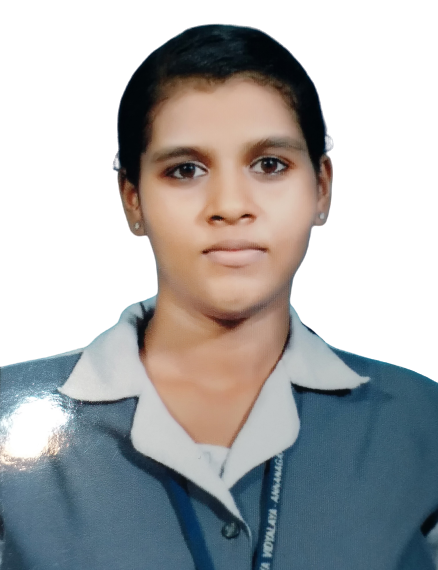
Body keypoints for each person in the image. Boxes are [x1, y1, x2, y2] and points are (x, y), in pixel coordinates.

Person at [0, 24, 437, 570]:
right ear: (132, 199)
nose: (230, 205)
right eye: (185, 170)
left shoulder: (423, 424)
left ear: (322, 188)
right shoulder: (4, 421)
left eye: (270, 164)